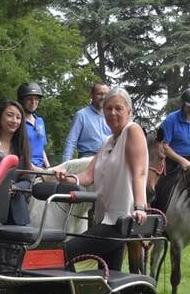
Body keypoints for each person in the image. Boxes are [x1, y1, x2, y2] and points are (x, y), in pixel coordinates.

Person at [62, 86, 148, 272]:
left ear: (129, 111)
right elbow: (88, 175)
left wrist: (140, 207)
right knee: (108, 273)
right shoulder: (108, 141)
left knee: (63, 253)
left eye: (118, 108)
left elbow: (140, 172)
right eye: (108, 108)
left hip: (121, 220)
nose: (112, 113)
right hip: (104, 219)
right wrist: (66, 177)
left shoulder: (132, 131)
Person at [152, 87, 190, 210]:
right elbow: (164, 146)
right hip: (171, 158)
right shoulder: (171, 119)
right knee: (160, 185)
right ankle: (155, 210)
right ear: (183, 104)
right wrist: (181, 161)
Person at [0, 100, 32, 226]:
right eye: (9, 115)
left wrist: (16, 188)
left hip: (15, 210)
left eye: (18, 117)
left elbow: (27, 179)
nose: (14, 120)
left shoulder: (22, 147)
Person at [62, 82, 112, 161]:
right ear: (91, 95)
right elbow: (71, 141)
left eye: (106, 94)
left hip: (108, 159)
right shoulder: (81, 115)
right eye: (100, 94)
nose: (103, 97)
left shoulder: (111, 116)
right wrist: (65, 165)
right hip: (87, 159)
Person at [18, 82, 51, 171]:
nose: (33, 102)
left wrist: (48, 168)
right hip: (26, 168)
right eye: (29, 99)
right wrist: (36, 169)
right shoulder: (18, 122)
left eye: (36, 99)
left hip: (41, 168)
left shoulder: (40, 121)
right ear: (22, 100)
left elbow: (41, 149)